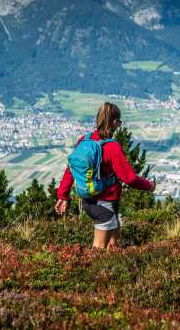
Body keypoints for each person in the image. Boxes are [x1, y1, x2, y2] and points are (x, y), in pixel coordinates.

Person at [55, 102, 155, 249]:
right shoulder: (112, 147)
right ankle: (94, 270)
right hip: (105, 203)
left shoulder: (84, 140)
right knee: (98, 251)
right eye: (119, 122)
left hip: (89, 200)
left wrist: (63, 196)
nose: (119, 125)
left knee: (112, 243)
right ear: (114, 122)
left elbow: (71, 168)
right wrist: (149, 185)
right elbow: (129, 178)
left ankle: (110, 267)